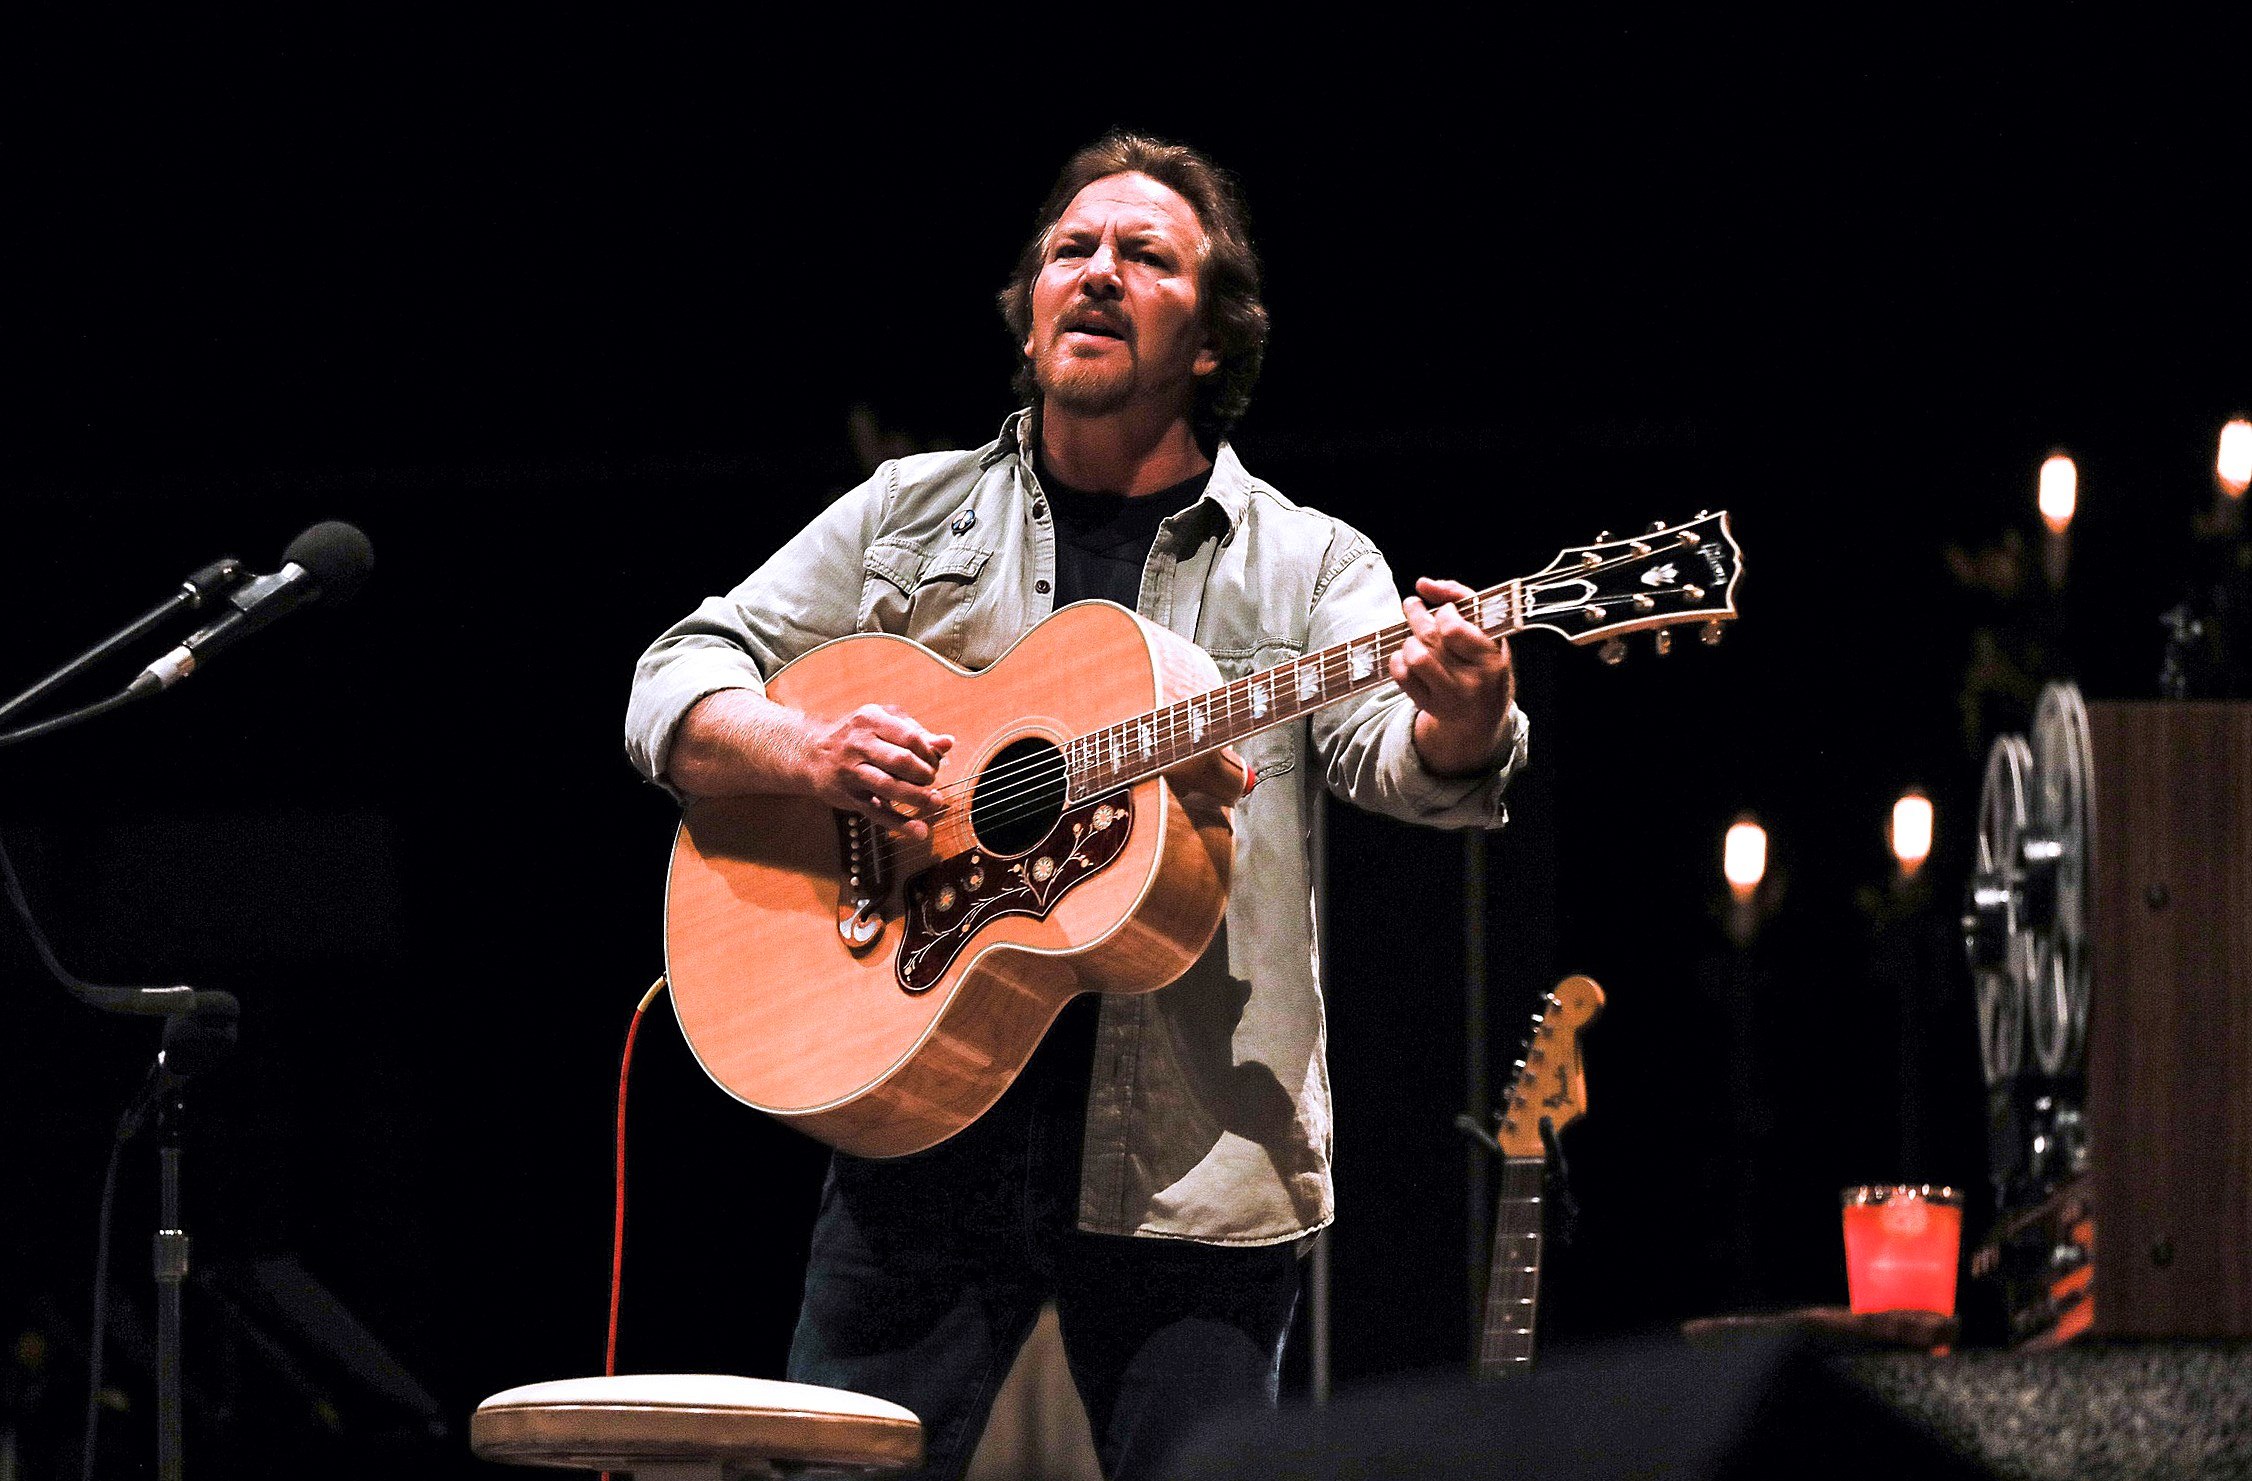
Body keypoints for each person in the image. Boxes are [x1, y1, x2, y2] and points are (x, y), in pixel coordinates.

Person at [624, 133, 1527, 1481]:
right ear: (1030, 307)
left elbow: (1395, 752)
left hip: (1195, 1166)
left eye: (1146, 258)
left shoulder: (1307, 561)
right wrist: (808, 751)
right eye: (1071, 251)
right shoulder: (906, 515)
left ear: (1211, 344)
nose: (1096, 272)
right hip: (914, 1129)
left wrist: (1465, 713)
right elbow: (677, 673)